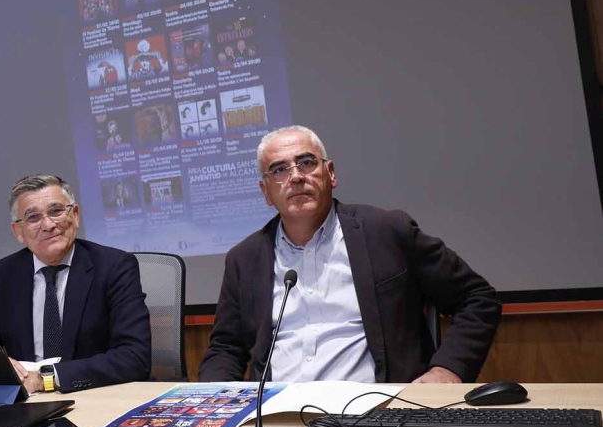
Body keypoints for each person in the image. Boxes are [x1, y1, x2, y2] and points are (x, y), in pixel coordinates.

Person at [199, 126, 501, 384]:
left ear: (330, 174)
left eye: (306, 162)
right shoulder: (244, 259)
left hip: (378, 414)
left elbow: (477, 298)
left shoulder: (387, 231)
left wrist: (448, 369)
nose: (296, 177)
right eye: (279, 170)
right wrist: (215, 404)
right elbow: (226, 349)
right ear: (266, 191)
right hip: (275, 418)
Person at [0, 174, 151, 392]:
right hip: (26, 402)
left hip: (94, 395)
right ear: (18, 232)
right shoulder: (1, 275)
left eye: (56, 211)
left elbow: (134, 356)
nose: (48, 225)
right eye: (33, 217)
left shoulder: (114, 267)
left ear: (75, 215)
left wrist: (46, 379)